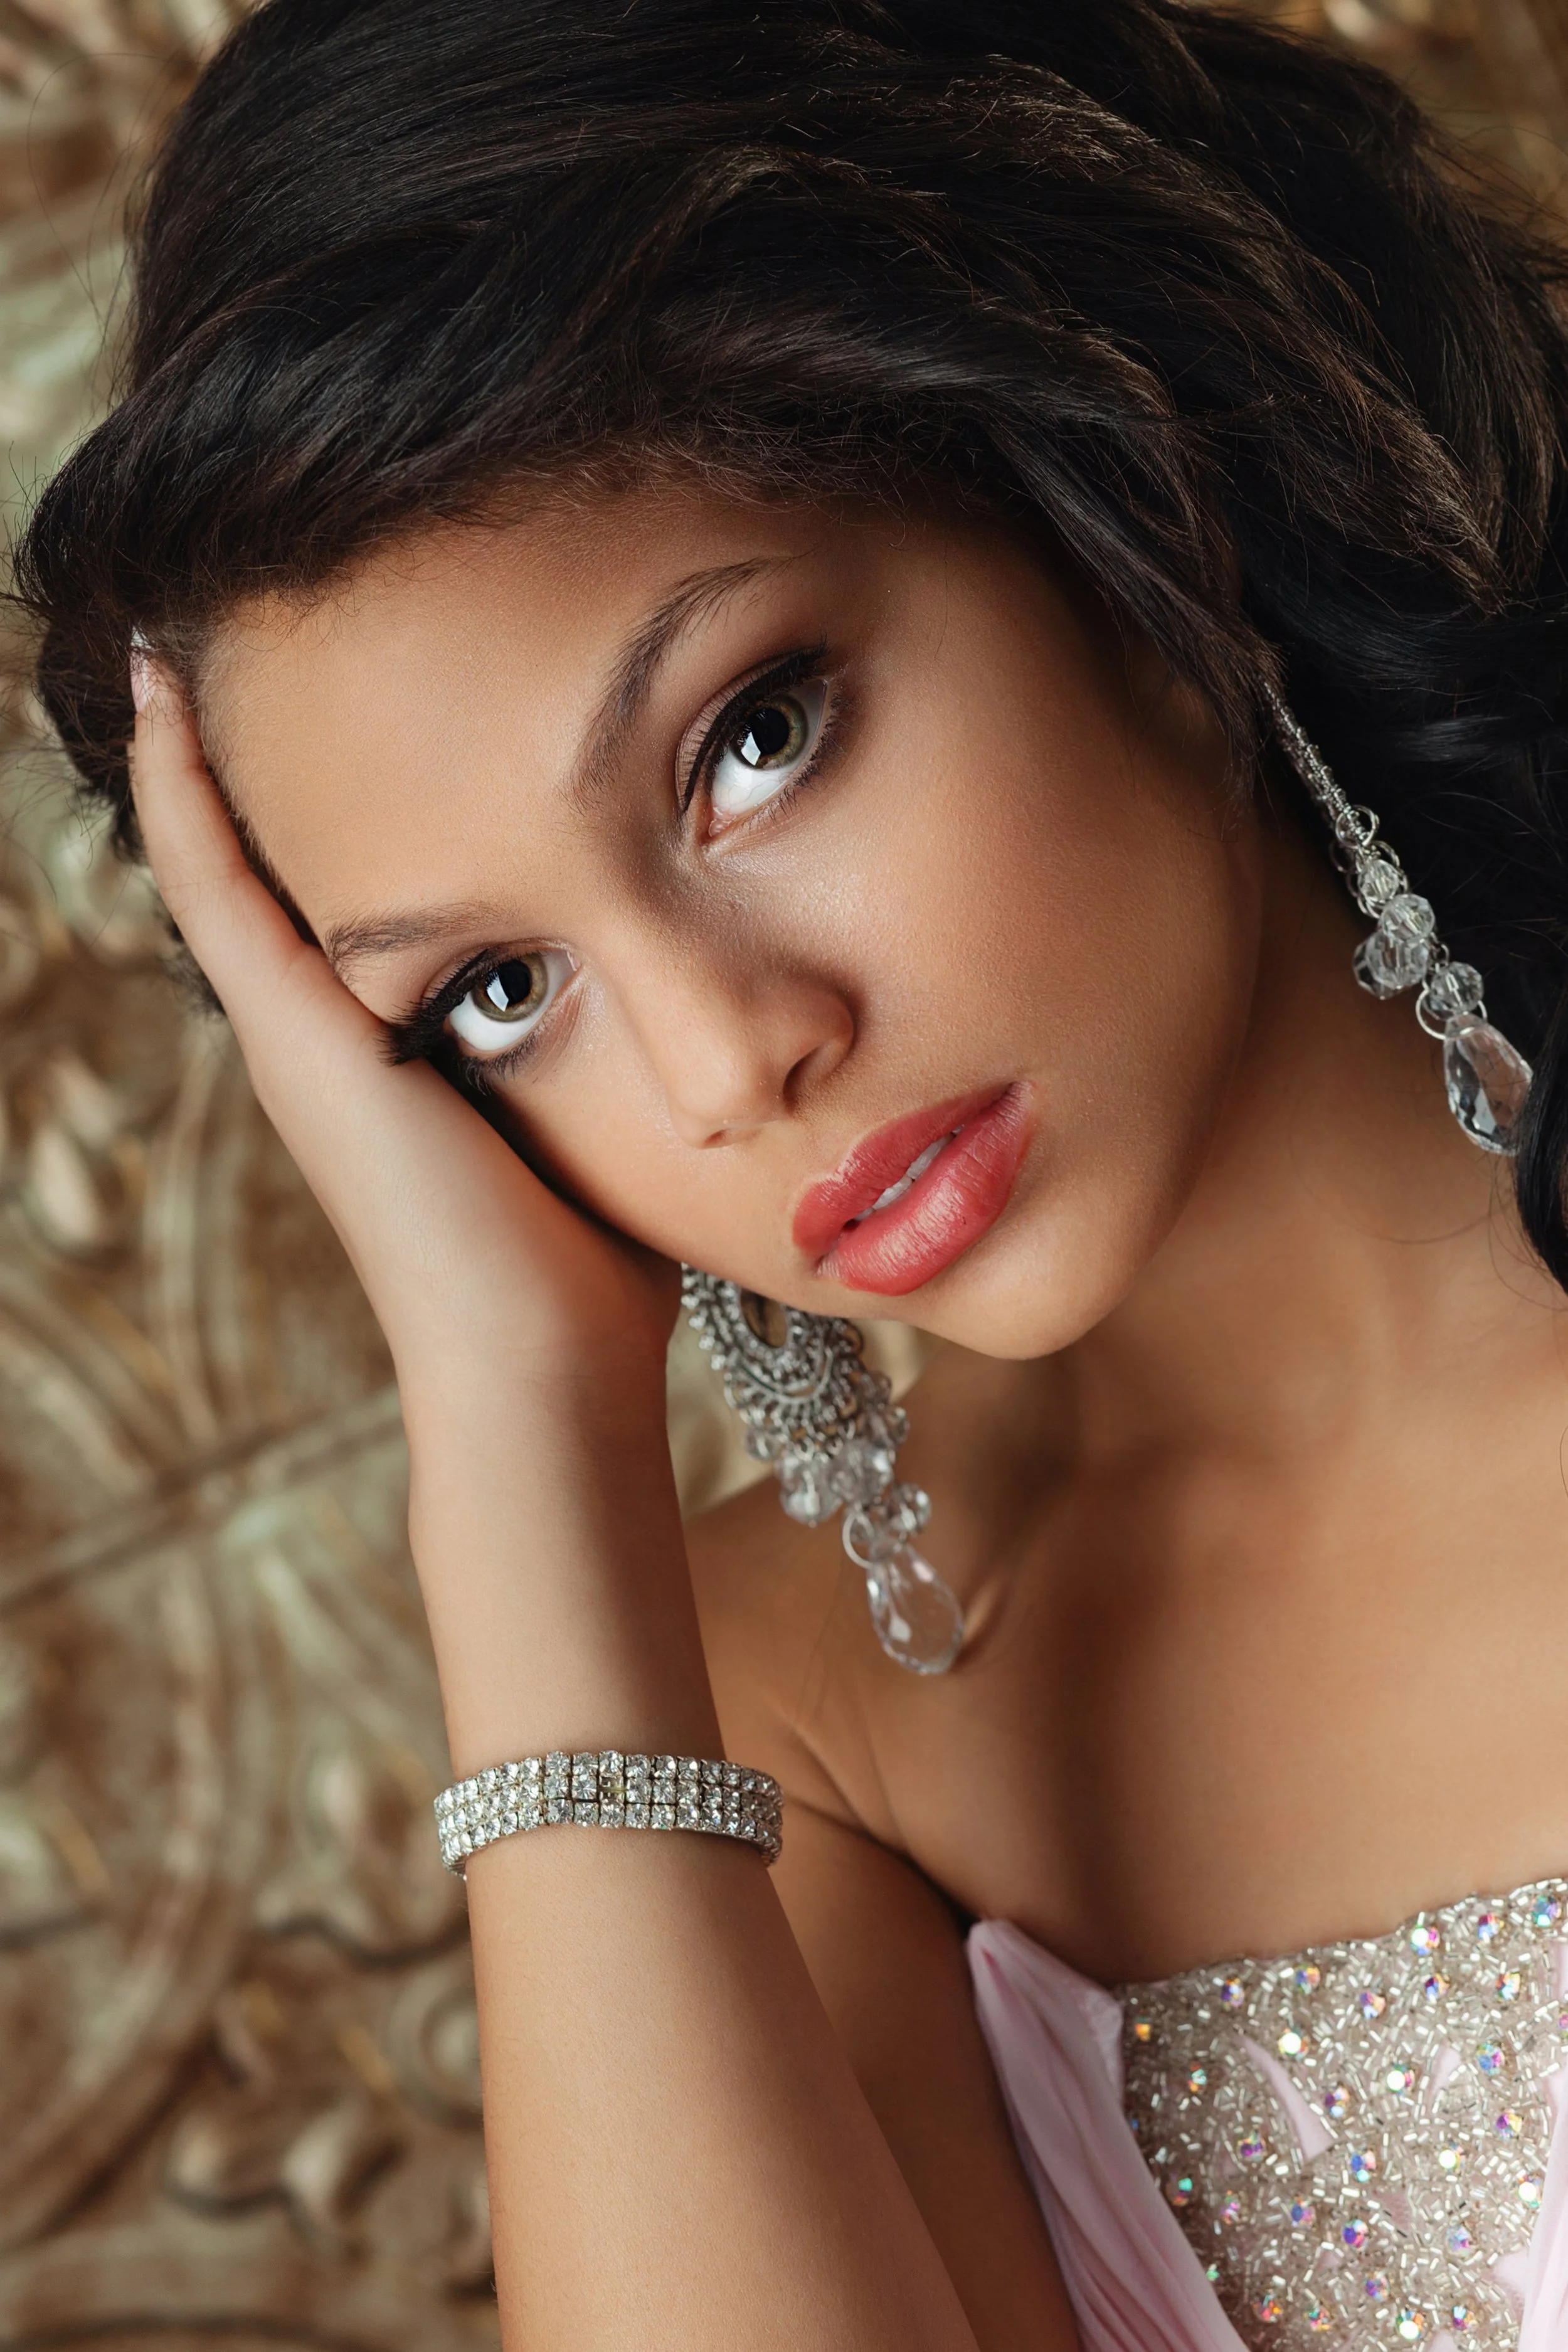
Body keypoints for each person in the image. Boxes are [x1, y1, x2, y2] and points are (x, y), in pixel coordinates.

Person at [17, 0, 1568, 2342]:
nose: (734, 1062)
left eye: (751, 737)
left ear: (1129, 494)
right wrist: (510, 1425)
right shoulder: (786, 1726)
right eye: (498, 995)